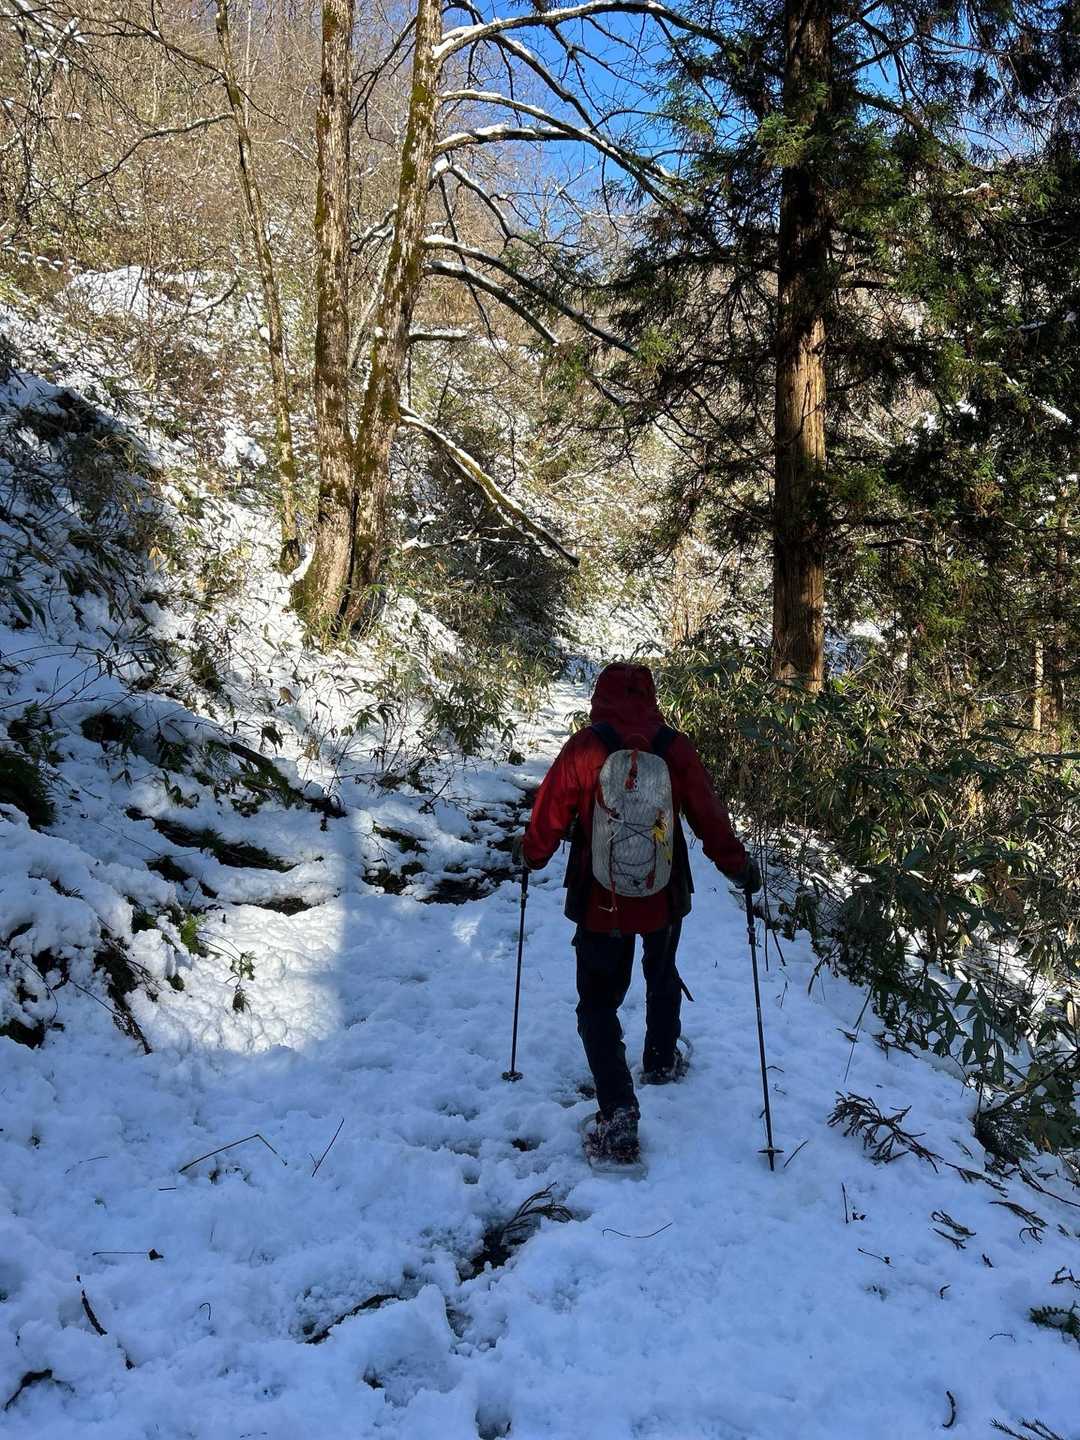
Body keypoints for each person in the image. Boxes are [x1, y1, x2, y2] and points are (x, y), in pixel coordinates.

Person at [518, 662, 759, 1164]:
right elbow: (710, 817)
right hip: (664, 894)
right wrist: (738, 868)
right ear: (651, 698)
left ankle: (618, 1111)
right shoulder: (674, 748)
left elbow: (550, 812)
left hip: (600, 899)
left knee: (597, 1002)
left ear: (599, 697)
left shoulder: (586, 747)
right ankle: (661, 1059)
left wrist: (532, 855)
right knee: (662, 970)